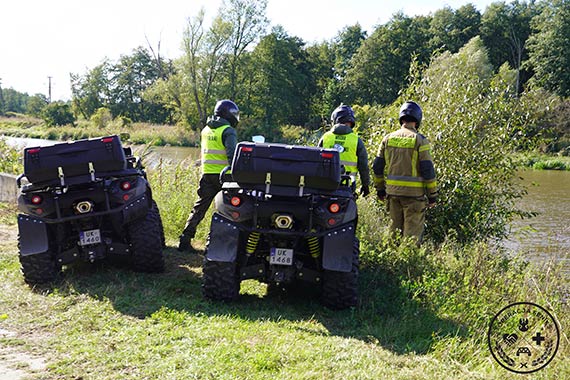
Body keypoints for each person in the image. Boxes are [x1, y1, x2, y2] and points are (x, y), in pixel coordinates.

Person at [372, 101, 438, 243]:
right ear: (417, 120)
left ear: (401, 118)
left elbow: (377, 166)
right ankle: (409, 264)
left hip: (393, 194)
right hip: (414, 197)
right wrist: (432, 195)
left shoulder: (387, 139)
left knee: (393, 236)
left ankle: (390, 263)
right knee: (411, 240)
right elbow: (427, 170)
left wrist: (380, 190)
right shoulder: (420, 141)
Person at [178, 99, 239, 252]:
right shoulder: (228, 131)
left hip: (207, 174)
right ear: (229, 115)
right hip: (226, 177)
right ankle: (217, 245)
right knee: (229, 211)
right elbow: (233, 155)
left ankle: (185, 239)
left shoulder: (206, 129)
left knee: (199, 208)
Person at [318, 104, 370, 196]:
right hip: (348, 187)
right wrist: (365, 185)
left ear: (335, 119)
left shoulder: (325, 137)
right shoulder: (356, 140)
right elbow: (363, 166)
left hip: (326, 186)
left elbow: (316, 161)